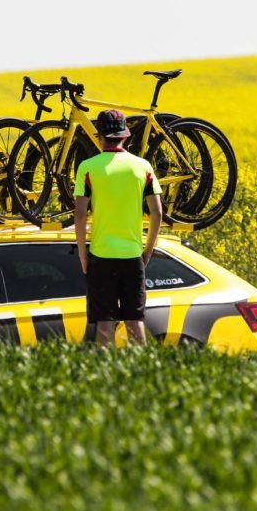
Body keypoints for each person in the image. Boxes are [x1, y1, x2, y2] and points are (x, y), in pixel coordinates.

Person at [74, 109, 163, 346]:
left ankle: (105, 376)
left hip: (101, 256)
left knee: (105, 321)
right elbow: (157, 213)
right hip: (133, 255)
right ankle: (140, 372)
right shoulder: (143, 166)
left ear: (99, 136)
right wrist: (148, 251)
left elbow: (80, 214)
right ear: (125, 136)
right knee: (135, 321)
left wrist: (83, 254)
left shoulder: (87, 167)